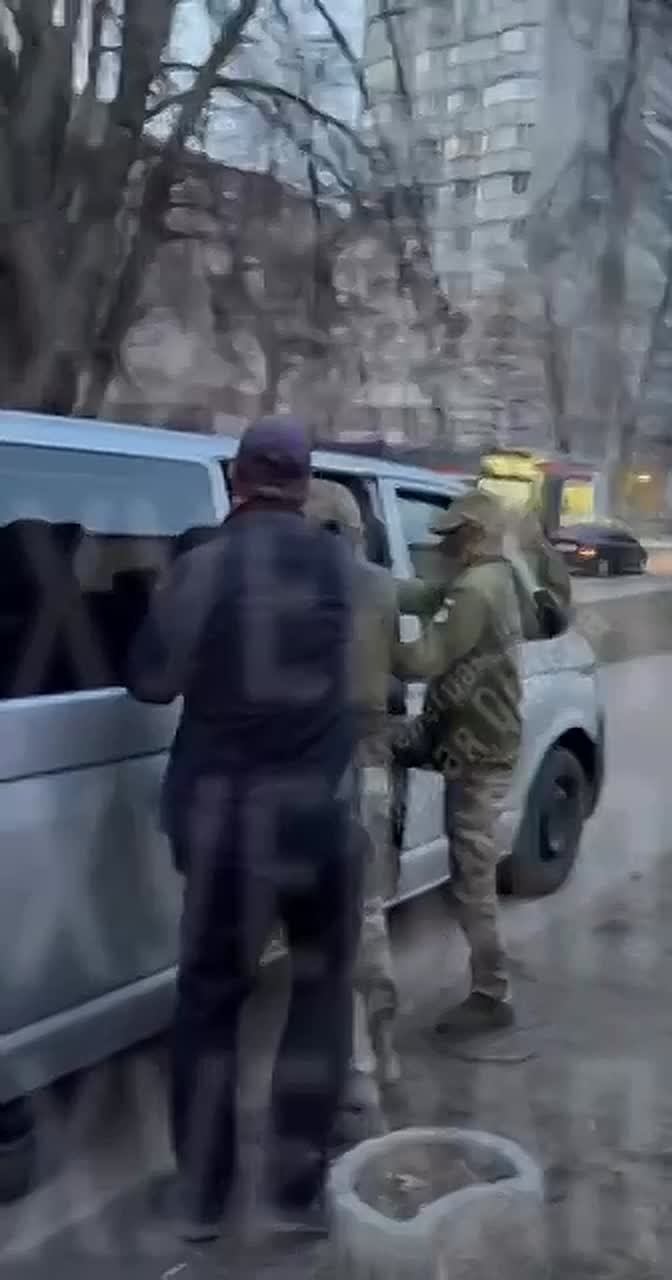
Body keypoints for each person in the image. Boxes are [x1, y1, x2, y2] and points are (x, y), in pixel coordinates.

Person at [127, 418, 359, 1241]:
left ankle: (202, 1200)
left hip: (227, 828)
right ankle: (295, 1195)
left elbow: (151, 684)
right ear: (306, 483)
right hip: (323, 821)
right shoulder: (348, 569)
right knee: (321, 995)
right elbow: (378, 680)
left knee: (210, 1005)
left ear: (236, 478)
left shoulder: (205, 569)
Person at [303, 478, 444, 1120]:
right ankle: (374, 1061)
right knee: (365, 917)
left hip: (288, 772)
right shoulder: (378, 584)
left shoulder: (273, 584)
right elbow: (407, 661)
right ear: (350, 530)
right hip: (362, 763)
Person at [391, 490, 523, 1034]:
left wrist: (367, 639)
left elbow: (422, 660)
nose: (442, 546)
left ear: (474, 535)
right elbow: (424, 594)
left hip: (474, 751)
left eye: (452, 536)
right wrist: (365, 586)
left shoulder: (474, 589)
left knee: (473, 880)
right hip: (481, 739)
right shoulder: (497, 578)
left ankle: (492, 992)